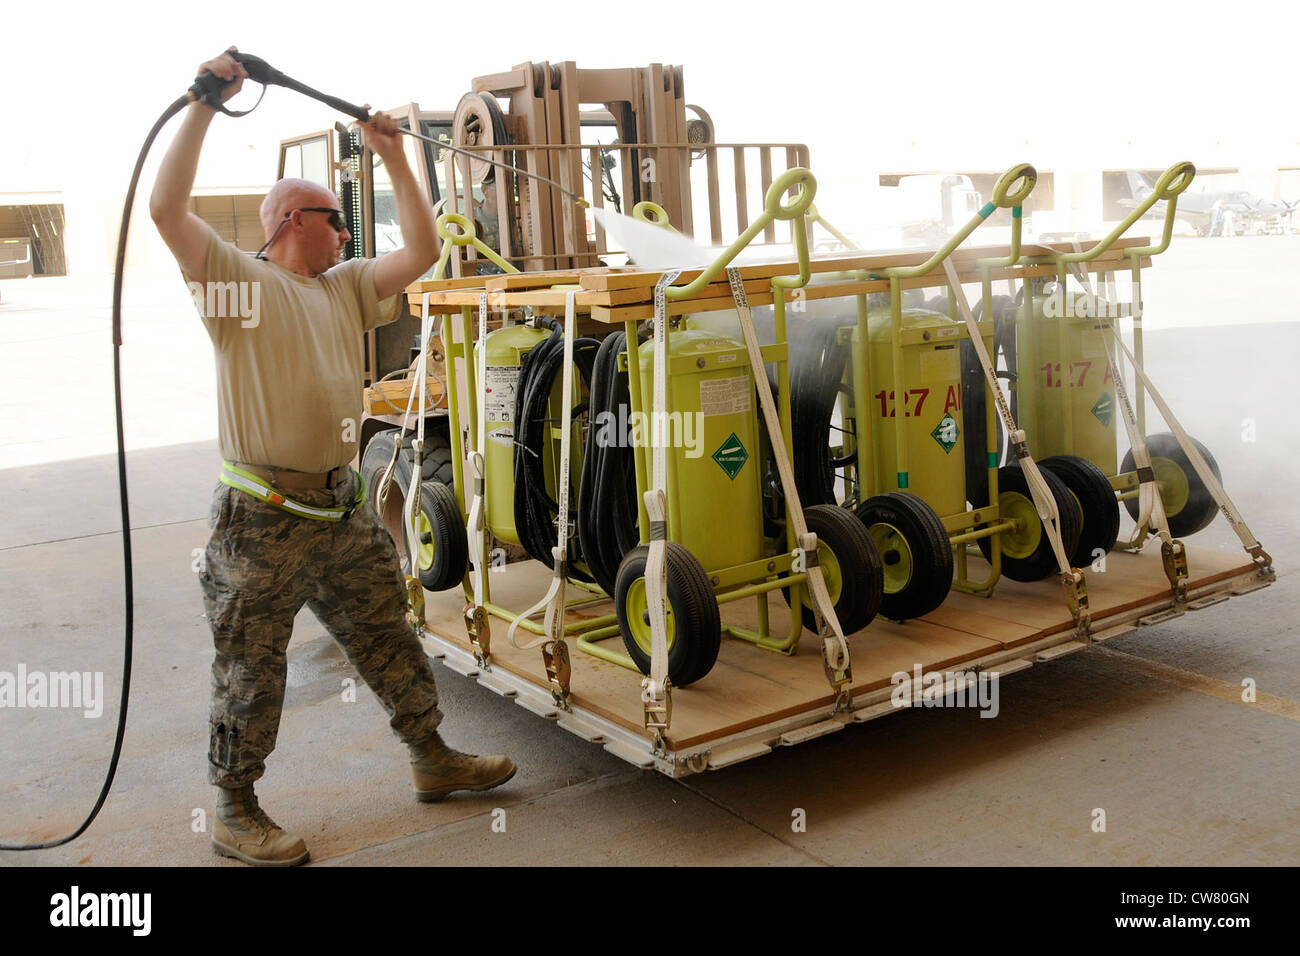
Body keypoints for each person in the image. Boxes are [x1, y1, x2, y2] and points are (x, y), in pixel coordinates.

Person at [149, 47, 515, 867]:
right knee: (250, 667)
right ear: (289, 221)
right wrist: (207, 98)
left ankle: (431, 756)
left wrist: (395, 155)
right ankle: (236, 809)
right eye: (333, 217)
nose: (348, 231)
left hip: (340, 506)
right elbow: (167, 210)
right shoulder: (235, 286)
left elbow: (421, 252)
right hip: (262, 518)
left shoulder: (343, 286)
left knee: (388, 632)